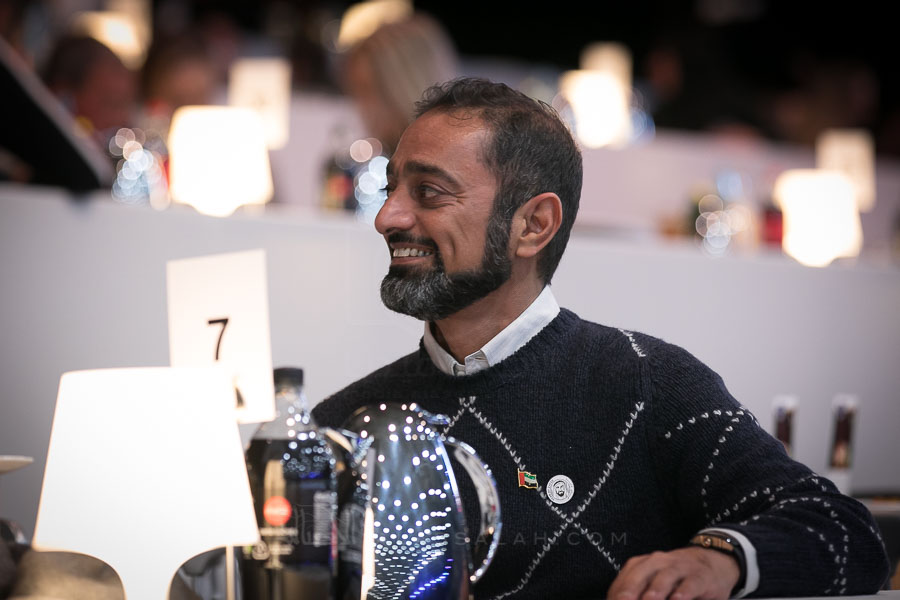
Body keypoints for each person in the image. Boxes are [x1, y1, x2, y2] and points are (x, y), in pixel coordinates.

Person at [311, 77, 890, 600]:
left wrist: (718, 561)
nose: (387, 218)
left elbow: (848, 535)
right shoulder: (343, 424)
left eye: (429, 192)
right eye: (392, 189)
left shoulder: (650, 385)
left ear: (534, 225)